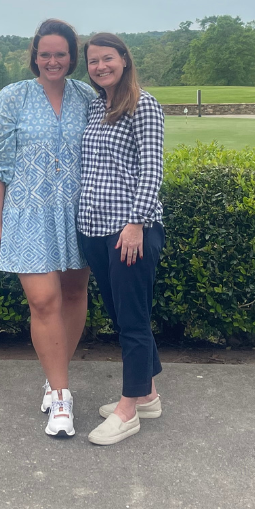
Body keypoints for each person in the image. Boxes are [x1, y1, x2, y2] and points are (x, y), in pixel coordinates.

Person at [0, 19, 97, 437]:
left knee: (73, 293)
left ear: (72, 56)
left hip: (76, 211)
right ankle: (62, 400)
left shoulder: (87, 97)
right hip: (27, 213)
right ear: (34, 56)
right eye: (45, 53)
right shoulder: (12, 97)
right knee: (44, 300)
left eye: (61, 54)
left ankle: (55, 378)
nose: (53, 61)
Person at [76, 33, 165, 446]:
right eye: (93, 61)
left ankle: (129, 409)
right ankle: (146, 393)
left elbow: (152, 169)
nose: (99, 67)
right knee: (120, 314)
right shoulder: (97, 107)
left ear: (125, 60)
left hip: (129, 231)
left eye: (107, 58)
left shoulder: (142, 104)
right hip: (95, 229)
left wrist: (136, 222)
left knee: (132, 320)